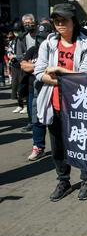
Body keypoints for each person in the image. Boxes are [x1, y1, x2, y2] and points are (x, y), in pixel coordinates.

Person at [34, 3, 87, 202]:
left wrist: (58, 71)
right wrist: (62, 79)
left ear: (73, 21)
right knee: (58, 146)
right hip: (54, 103)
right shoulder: (48, 44)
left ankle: (86, 179)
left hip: (78, 104)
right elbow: (38, 72)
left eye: (64, 20)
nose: (59, 24)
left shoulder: (85, 44)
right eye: (56, 20)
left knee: (83, 143)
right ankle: (64, 180)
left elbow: (85, 75)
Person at [20, 23, 53, 161]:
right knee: (37, 120)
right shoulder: (33, 49)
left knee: (55, 121)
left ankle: (62, 149)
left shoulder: (54, 50)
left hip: (51, 88)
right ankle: (38, 147)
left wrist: (35, 67)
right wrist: (39, 67)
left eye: (44, 38)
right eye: (39, 38)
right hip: (34, 89)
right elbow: (23, 65)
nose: (41, 41)